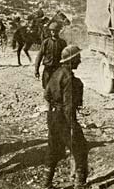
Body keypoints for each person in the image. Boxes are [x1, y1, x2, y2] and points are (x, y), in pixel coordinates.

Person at [44, 45, 88, 189]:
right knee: (80, 147)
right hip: (64, 118)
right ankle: (79, 184)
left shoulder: (56, 73)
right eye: (77, 58)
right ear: (71, 60)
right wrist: (72, 125)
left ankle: (47, 182)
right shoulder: (69, 77)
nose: (80, 61)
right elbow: (68, 105)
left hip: (52, 116)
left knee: (53, 148)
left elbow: (46, 95)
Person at [34, 22, 67, 89]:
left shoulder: (62, 43)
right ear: (50, 31)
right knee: (46, 86)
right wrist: (36, 69)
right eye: (52, 31)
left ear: (59, 31)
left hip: (58, 68)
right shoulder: (46, 42)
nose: (54, 32)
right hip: (48, 68)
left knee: (58, 88)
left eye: (56, 31)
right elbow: (39, 56)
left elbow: (66, 57)